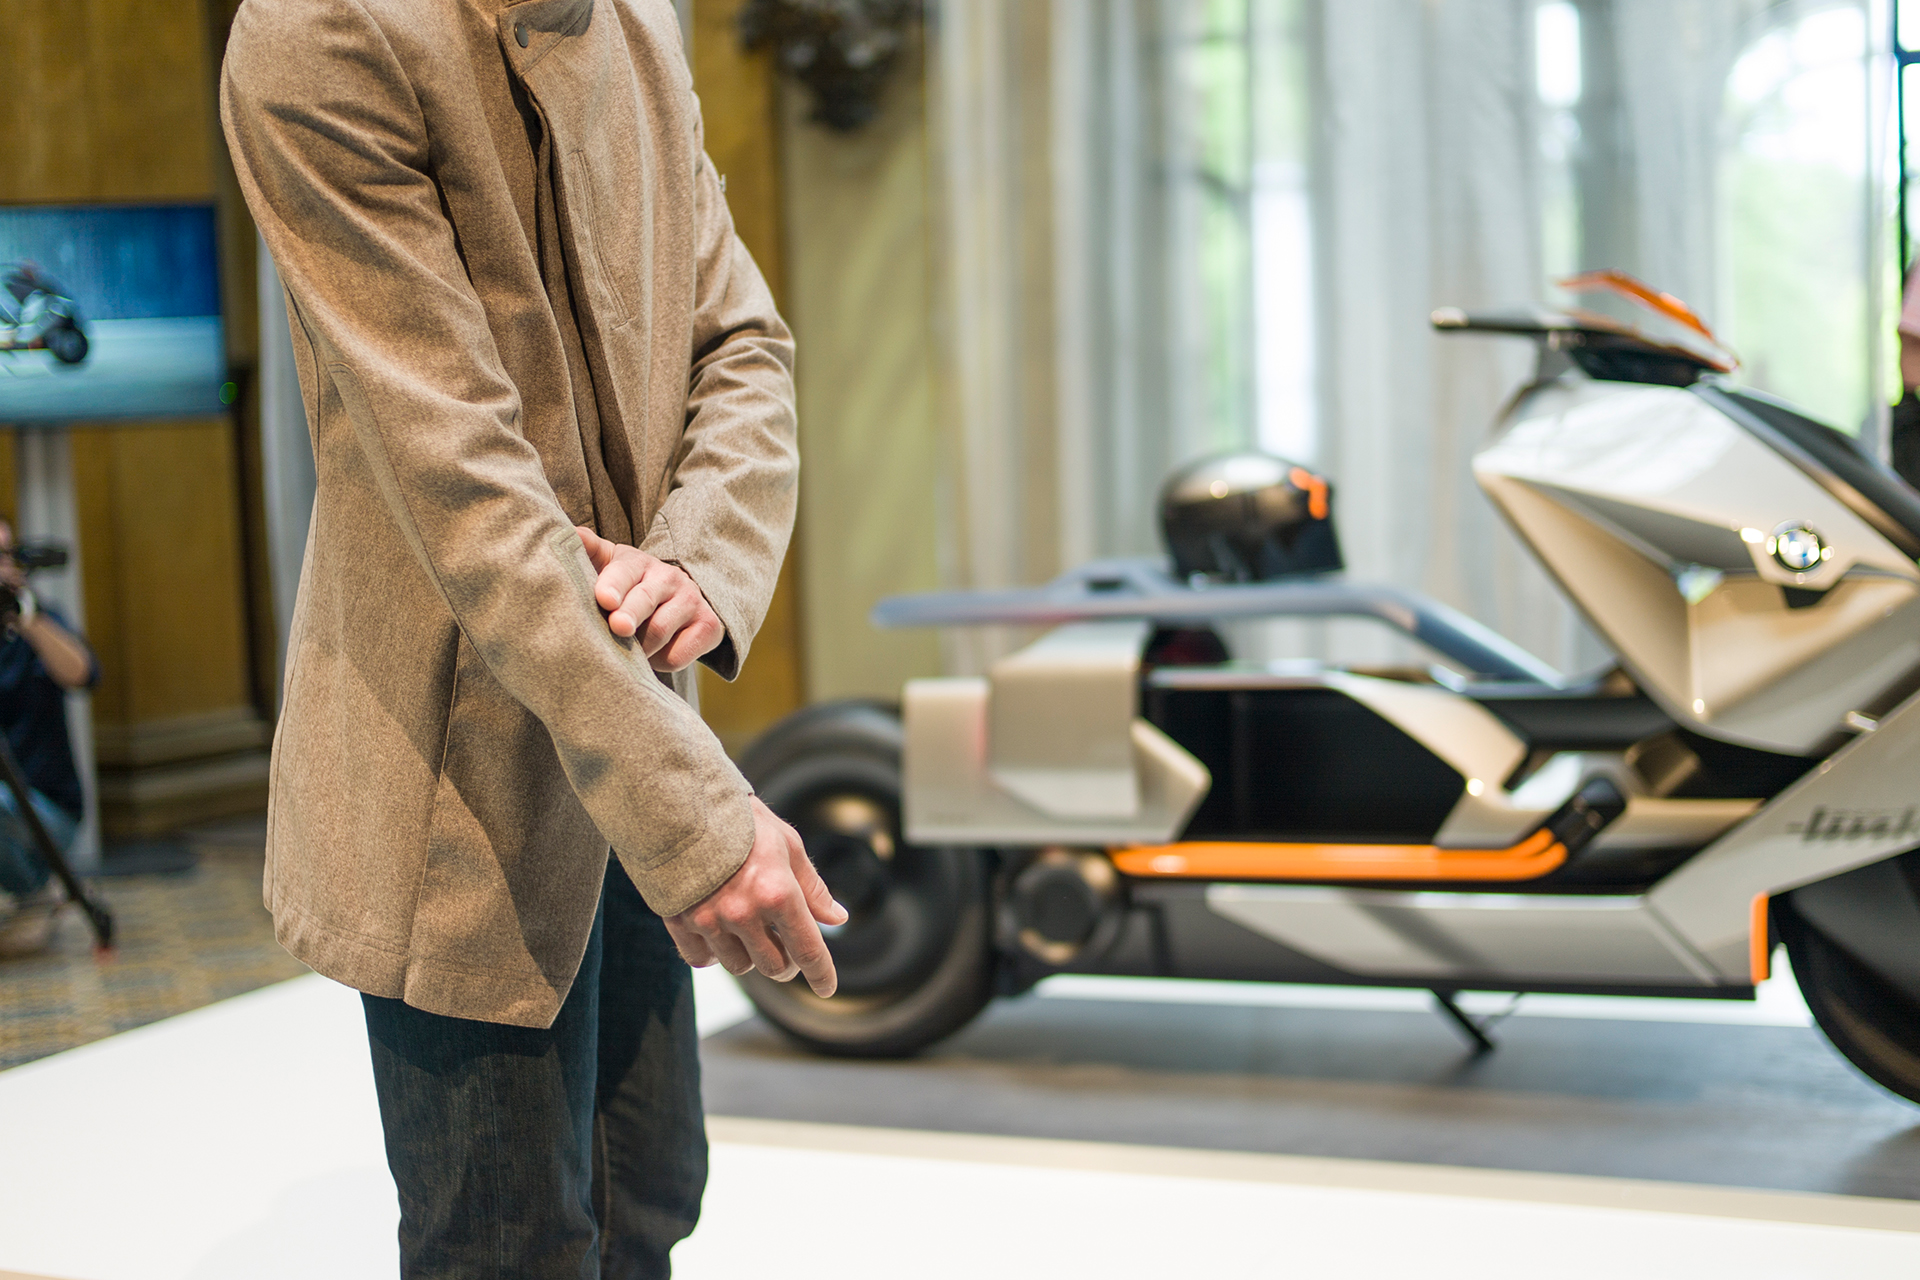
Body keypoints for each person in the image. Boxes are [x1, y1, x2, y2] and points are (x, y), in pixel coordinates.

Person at [220, 2, 842, 1275]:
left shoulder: (636, 19)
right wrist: (695, 815)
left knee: (649, 1193)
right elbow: (464, 483)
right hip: (461, 778)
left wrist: (702, 558)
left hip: (634, 726)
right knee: (508, 1243)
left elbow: (740, 341)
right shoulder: (320, 35)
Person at [0, 520, 100, 958]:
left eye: (6, 555)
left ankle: (36, 892)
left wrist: (28, 619)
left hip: (49, 808)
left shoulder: (39, 619)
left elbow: (82, 674)